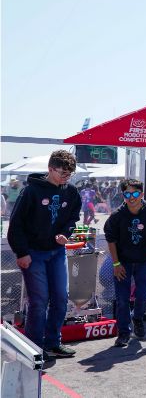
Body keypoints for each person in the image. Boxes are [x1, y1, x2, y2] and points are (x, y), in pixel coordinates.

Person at [5, 151, 82, 359]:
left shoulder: (71, 192)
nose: (67, 177)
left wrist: (65, 233)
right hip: (33, 253)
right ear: (50, 169)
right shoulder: (30, 191)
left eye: (70, 174)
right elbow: (16, 225)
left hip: (57, 252)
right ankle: (34, 348)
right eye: (63, 173)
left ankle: (53, 342)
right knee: (39, 300)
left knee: (61, 297)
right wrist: (22, 252)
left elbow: (73, 218)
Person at [104, 178, 146, 346]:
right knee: (122, 298)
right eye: (127, 194)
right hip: (123, 263)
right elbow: (111, 240)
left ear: (142, 194)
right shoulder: (117, 216)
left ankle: (137, 318)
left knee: (143, 295)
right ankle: (123, 332)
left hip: (144, 261)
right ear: (123, 195)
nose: (132, 197)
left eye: (136, 193)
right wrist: (116, 264)